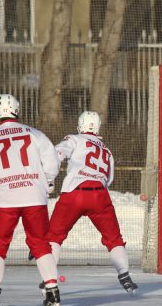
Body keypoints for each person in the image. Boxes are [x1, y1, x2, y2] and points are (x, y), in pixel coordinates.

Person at [0, 93, 62, 306]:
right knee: (41, 243)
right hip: (34, 197)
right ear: (17, 109)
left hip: (5, 200)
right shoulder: (34, 133)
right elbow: (52, 159)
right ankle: (52, 292)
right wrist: (48, 181)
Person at [45, 111, 138, 294]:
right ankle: (125, 275)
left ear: (80, 125)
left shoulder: (74, 139)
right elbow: (108, 178)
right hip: (100, 195)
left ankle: (49, 280)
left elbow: (57, 153)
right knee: (114, 239)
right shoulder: (106, 150)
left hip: (75, 193)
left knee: (54, 236)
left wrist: (48, 178)